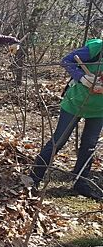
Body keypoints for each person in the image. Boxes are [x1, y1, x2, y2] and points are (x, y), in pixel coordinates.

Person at [30, 37, 103, 199]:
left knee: (89, 145)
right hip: (75, 102)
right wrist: (83, 78)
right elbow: (67, 60)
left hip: (99, 109)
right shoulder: (97, 48)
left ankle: (80, 182)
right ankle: (33, 179)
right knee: (59, 140)